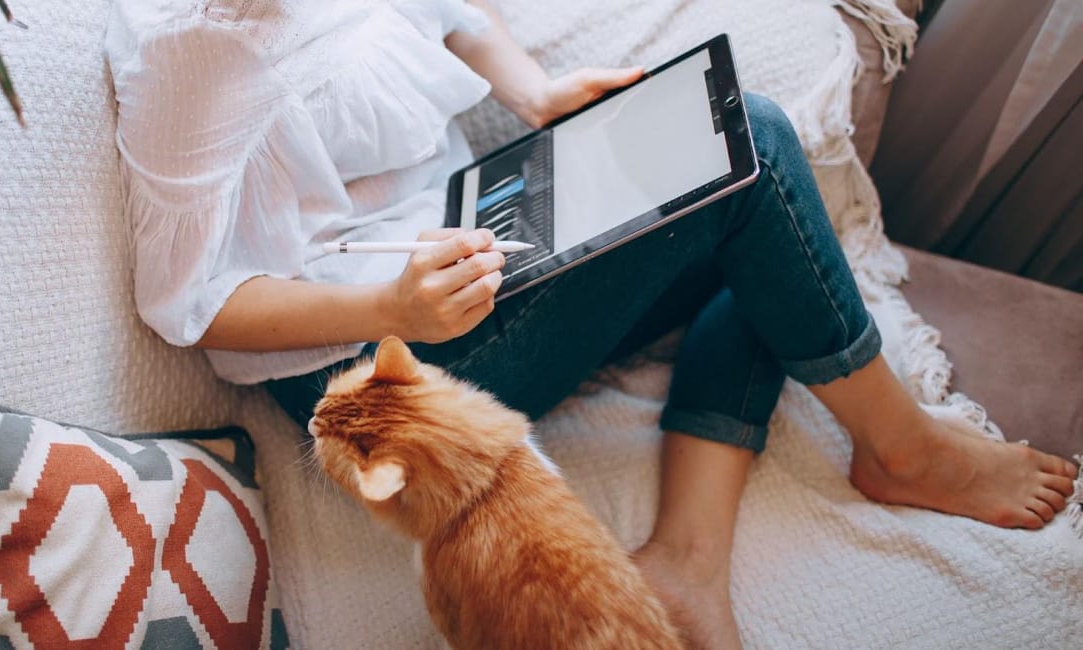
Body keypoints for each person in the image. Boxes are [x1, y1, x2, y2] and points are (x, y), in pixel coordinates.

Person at [106, 1, 1078, 647]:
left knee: (767, 234)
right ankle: (901, 444)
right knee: (759, 147)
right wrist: (385, 307)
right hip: (372, 360)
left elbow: (444, 8)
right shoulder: (195, 44)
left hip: (469, 236)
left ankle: (686, 559)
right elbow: (186, 304)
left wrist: (533, 89)